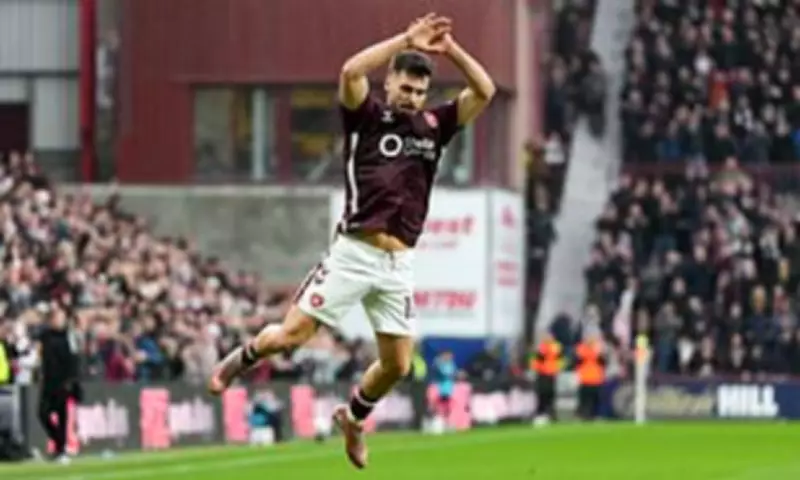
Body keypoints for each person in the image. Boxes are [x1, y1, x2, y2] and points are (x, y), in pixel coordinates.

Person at [208, 12, 495, 469]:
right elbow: (350, 71)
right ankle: (242, 358)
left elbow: (485, 90)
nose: (411, 97)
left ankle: (354, 418)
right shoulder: (366, 116)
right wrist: (406, 39)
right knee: (290, 337)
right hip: (355, 252)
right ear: (390, 82)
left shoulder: (434, 126)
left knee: (399, 365)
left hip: (398, 263)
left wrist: (451, 51)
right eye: (405, 87)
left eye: (419, 91)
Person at [37, 305, 80, 463]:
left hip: (63, 382)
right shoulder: (45, 335)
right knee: (42, 413)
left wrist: (71, 380)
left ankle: (61, 450)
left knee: (62, 416)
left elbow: (73, 359)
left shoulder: (68, 336)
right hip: (48, 381)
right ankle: (58, 442)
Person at [432, 351, 457, 426]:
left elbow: (453, 374)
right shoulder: (438, 363)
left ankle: (448, 421)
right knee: (439, 405)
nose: (449, 357)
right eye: (447, 355)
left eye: (450, 356)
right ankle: (439, 421)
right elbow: (439, 374)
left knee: (449, 405)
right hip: (440, 387)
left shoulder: (451, 364)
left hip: (449, 388)